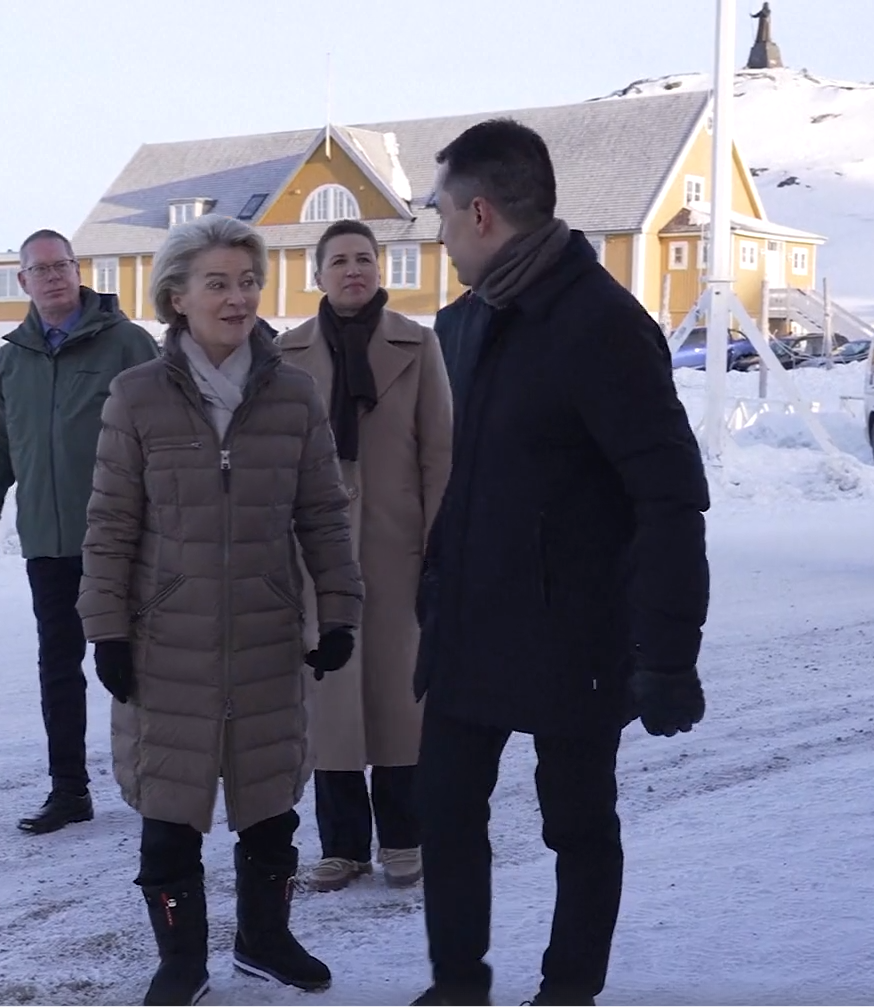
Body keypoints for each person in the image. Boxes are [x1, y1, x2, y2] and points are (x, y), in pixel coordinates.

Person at [409, 119, 711, 1006]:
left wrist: (666, 655)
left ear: (478, 211)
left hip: (573, 635)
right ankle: (457, 983)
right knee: (446, 810)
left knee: (576, 824)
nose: (435, 231)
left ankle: (567, 989)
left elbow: (668, 497)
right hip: (469, 626)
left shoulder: (602, 325)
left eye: (438, 213)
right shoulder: (465, 322)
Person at [77, 213, 364, 1006]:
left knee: (269, 804)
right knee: (170, 810)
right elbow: (107, 524)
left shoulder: (294, 395)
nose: (237, 299)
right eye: (217, 283)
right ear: (176, 296)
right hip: (165, 638)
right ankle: (181, 959)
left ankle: (265, 940)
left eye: (247, 282)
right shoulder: (135, 397)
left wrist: (336, 609)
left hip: (269, 634)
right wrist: (104, 630)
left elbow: (323, 515)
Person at [0, 229, 160, 834]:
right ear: (23, 281)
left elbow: (168, 436)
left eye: (62, 265)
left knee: (133, 663)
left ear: (79, 271)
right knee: (58, 668)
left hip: (123, 538)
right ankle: (69, 789)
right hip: (47, 544)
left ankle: (160, 779)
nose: (52, 276)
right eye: (39, 269)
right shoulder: (10, 360)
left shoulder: (128, 344)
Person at [276, 219, 453, 893]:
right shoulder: (287, 354)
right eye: (338, 260)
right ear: (316, 274)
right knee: (332, 701)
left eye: (363, 259)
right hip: (316, 554)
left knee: (397, 699)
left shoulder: (418, 344)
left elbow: (440, 453)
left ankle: (404, 837)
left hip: (397, 548)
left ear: (378, 269)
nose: (352, 270)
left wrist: (436, 546)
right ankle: (342, 845)